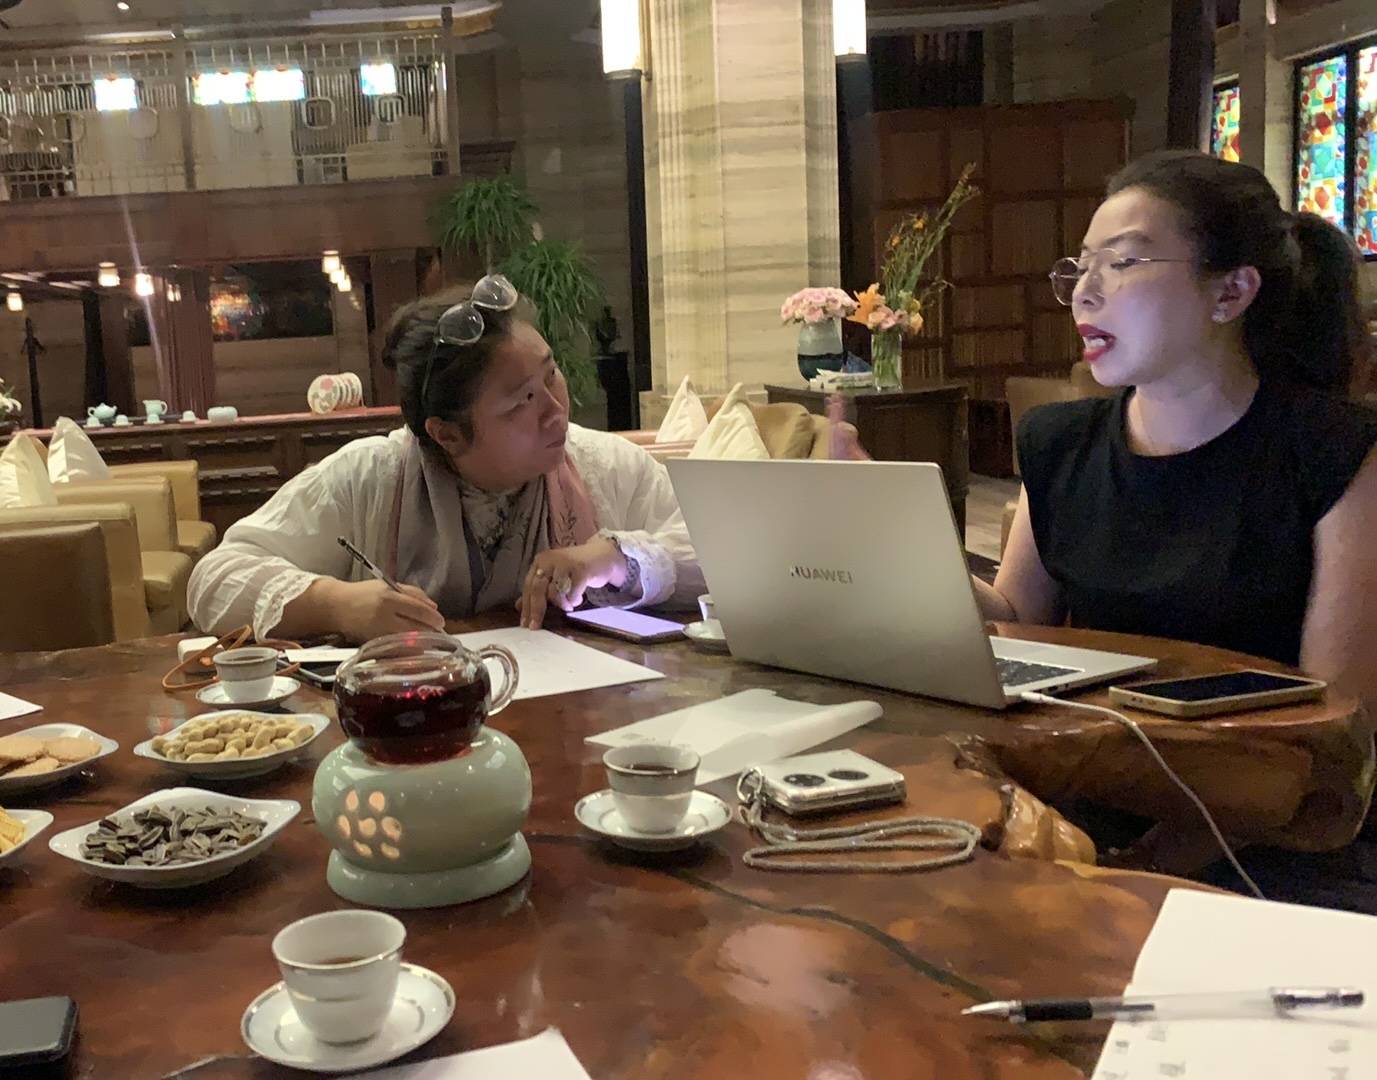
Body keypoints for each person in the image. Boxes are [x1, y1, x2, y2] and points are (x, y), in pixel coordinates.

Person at [969, 150, 1377, 717]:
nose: (1084, 291)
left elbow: (1338, 717)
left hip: (1258, 763)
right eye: (1081, 266)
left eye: (1122, 262)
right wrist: (899, 537)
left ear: (1231, 292)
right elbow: (1017, 621)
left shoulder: (1335, 451)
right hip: (1084, 755)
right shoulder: (1058, 440)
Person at [188, 276, 705, 642]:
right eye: (522, 401)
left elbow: (721, 559)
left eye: (551, 374)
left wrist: (612, 559)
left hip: (583, 720)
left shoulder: (603, 466)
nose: (555, 411)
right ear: (448, 434)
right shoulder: (371, 477)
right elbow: (215, 579)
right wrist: (337, 605)